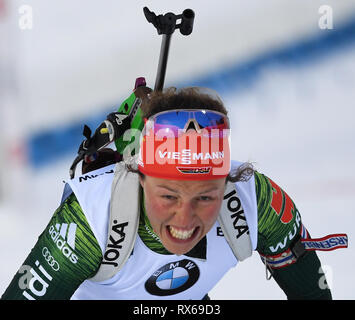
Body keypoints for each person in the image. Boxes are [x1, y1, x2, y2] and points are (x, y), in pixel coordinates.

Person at [1, 87, 347, 300]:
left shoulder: (255, 200)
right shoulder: (92, 219)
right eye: (168, 196)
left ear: (225, 184)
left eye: (205, 197)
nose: (185, 219)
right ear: (140, 177)